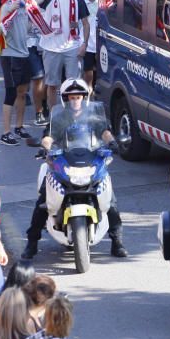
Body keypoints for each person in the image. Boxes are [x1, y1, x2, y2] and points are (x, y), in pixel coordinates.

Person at [22, 79, 128, 259]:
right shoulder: (59, 117)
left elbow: (105, 132)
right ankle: (32, 243)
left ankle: (117, 242)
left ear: (84, 98)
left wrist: (112, 142)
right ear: (65, 99)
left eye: (79, 97)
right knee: (43, 203)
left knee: (110, 202)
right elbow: (48, 137)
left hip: (91, 160)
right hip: (63, 162)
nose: (75, 101)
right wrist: (45, 147)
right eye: (71, 97)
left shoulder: (94, 116)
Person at [37, 0, 90, 114]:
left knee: (73, 85)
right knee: (52, 85)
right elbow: (34, 3)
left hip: (71, 47)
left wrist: (84, 44)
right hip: (51, 47)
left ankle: (72, 116)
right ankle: (54, 117)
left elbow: (86, 23)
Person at [0, 0, 40, 146]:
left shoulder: (29, 7)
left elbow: (31, 28)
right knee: (10, 93)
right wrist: (9, 10)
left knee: (22, 92)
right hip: (10, 55)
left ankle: (19, 127)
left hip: (24, 53)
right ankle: (5, 132)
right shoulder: (9, 5)